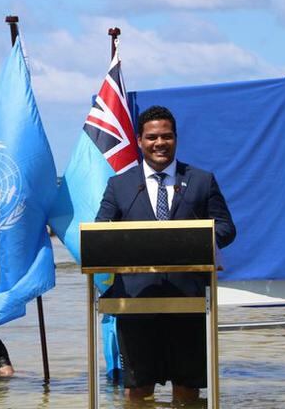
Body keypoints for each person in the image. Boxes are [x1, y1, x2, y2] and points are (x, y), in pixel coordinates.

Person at [96, 105, 236, 403]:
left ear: (176, 138)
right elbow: (101, 231)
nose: (160, 143)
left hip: (189, 298)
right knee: (137, 389)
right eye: (152, 137)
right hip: (134, 301)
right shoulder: (120, 185)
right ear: (139, 140)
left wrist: (194, 241)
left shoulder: (201, 180)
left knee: (187, 389)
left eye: (167, 136)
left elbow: (226, 227)